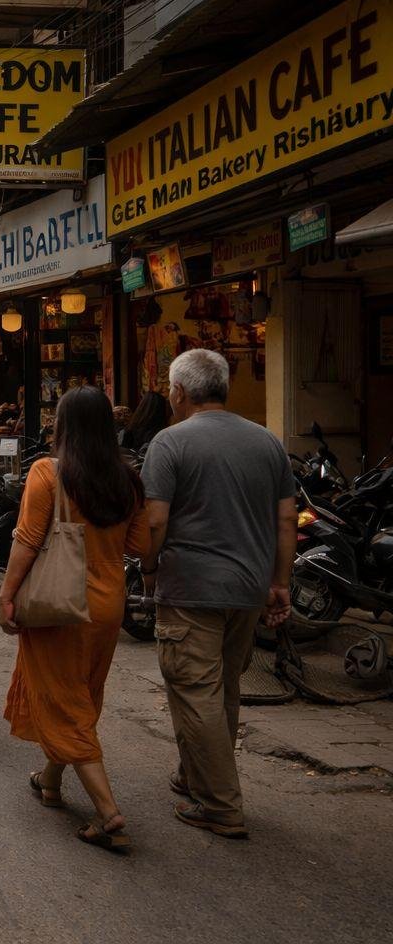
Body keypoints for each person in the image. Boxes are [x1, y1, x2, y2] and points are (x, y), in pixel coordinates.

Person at [141, 349, 294, 839]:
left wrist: (147, 568)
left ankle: (221, 805)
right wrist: (280, 583)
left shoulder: (169, 443)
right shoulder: (267, 442)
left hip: (192, 589)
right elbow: (286, 518)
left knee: (195, 690)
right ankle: (194, 775)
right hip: (248, 590)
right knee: (221, 689)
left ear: (180, 392)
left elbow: (156, 519)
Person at [0, 387, 148, 853]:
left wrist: (6, 595)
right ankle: (50, 780)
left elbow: (25, 541)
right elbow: (141, 547)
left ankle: (108, 814)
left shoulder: (49, 473)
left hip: (58, 606)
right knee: (79, 694)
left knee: (65, 701)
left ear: (62, 426)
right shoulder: (127, 480)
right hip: (107, 608)